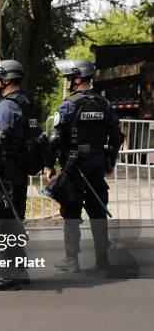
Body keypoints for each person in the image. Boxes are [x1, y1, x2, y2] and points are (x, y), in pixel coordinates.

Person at [44, 59, 124, 272]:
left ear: (78, 78)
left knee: (71, 211)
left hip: (73, 166)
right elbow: (117, 136)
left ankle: (72, 261)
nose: (67, 82)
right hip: (97, 165)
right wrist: (110, 161)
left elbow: (54, 139)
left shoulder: (68, 105)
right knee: (98, 210)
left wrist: (48, 166)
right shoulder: (104, 104)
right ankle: (102, 259)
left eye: (69, 78)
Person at [0, 59, 40, 291]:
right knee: (13, 222)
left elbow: (0, 141)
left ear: (6, 80)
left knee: (3, 223)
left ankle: (8, 274)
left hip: (5, 174)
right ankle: (20, 271)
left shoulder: (7, 106)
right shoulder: (27, 102)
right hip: (18, 172)